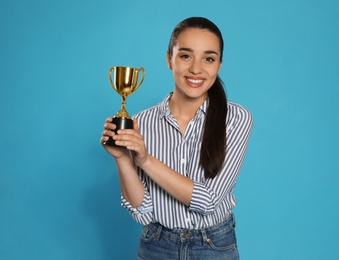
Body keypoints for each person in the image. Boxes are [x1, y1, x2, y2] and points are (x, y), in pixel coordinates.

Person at [101, 17, 253, 260]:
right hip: (156, 246)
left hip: (213, 247)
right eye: (185, 55)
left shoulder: (236, 118)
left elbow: (209, 201)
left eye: (209, 58)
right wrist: (123, 159)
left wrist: (145, 160)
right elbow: (142, 212)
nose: (196, 68)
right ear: (169, 58)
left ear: (219, 65)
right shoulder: (144, 122)